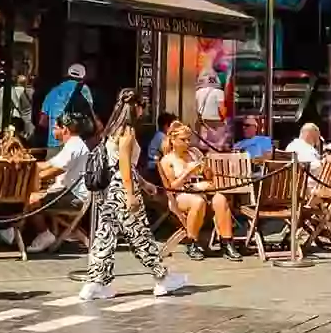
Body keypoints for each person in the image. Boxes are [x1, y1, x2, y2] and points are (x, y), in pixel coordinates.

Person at [79, 88, 188, 301]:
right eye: (142, 106)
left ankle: (95, 283)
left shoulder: (111, 130)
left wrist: (145, 184)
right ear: (135, 106)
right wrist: (131, 194)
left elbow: (120, 166)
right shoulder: (127, 132)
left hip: (107, 190)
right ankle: (162, 278)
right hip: (122, 189)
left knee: (105, 236)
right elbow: (125, 168)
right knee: (140, 235)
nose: (142, 111)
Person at [159, 121, 243, 261]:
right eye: (183, 140)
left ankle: (227, 242)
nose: (187, 143)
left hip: (202, 189)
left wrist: (205, 169)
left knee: (220, 199)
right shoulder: (167, 160)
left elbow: (210, 177)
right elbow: (172, 187)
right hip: (181, 195)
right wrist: (187, 172)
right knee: (197, 202)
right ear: (173, 140)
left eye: (188, 139)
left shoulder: (195, 152)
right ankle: (192, 242)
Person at [25, 114, 92, 253]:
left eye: (55, 127)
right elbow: (48, 164)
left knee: (31, 200)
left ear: (65, 129)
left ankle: (44, 234)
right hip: (71, 194)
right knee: (38, 195)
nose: (52, 131)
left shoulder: (73, 147)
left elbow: (53, 171)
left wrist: (29, 177)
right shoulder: (73, 144)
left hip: (75, 198)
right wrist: (28, 165)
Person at [41, 64, 95, 134]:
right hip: (78, 134)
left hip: (58, 135)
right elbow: (89, 109)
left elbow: (43, 121)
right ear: (83, 77)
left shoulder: (55, 90)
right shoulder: (85, 90)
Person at [193, 71, 230, 150]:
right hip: (216, 123)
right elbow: (222, 109)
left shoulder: (197, 92)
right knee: (217, 146)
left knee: (202, 145)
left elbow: (195, 108)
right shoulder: (219, 92)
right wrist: (224, 120)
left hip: (202, 122)